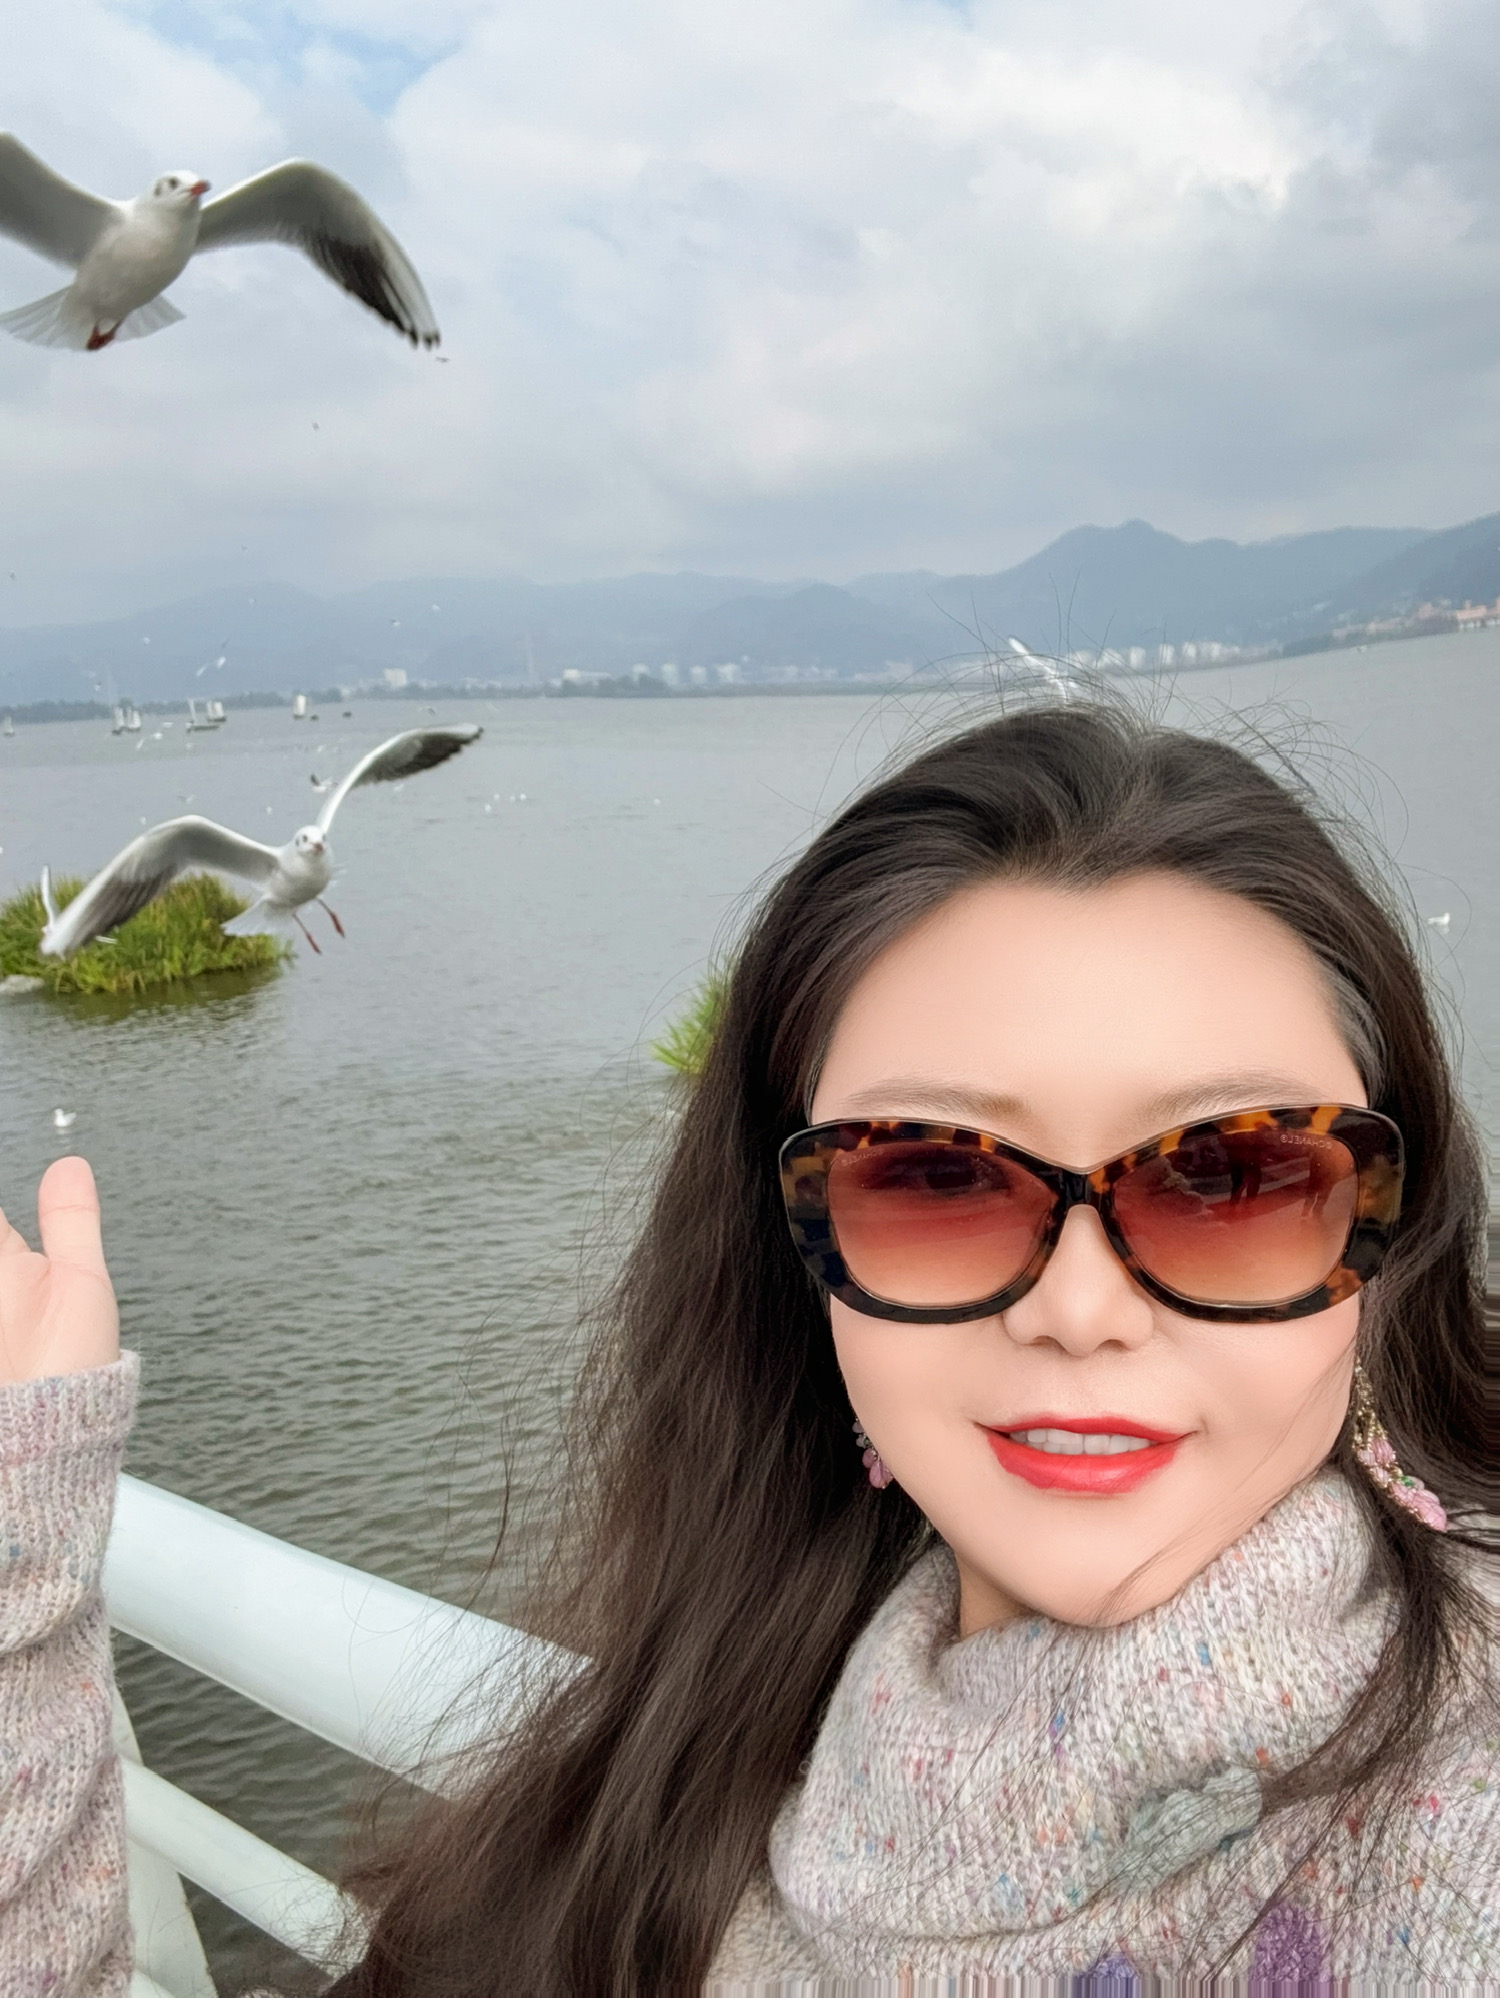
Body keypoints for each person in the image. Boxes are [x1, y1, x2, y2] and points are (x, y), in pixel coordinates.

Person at [0, 702, 1495, 1997]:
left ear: (1388, 1232)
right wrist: (23, 1550)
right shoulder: (669, 1784)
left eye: (1233, 1175)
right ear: (798, 1259)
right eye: (934, 1176)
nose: (1082, 1307)